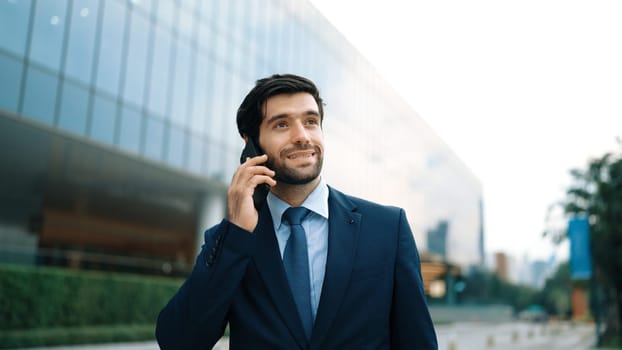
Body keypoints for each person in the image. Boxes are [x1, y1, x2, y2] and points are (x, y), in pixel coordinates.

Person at [155, 74, 438, 350]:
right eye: (281, 124)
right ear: (251, 143)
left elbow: (417, 341)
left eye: (311, 122)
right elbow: (179, 341)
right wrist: (237, 234)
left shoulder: (388, 228)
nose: (302, 136)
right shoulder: (231, 240)